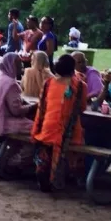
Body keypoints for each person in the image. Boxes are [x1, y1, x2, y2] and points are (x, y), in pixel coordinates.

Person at [0, 53, 36, 179]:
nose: (21, 66)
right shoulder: (11, 84)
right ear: (11, 65)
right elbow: (16, 111)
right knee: (39, 131)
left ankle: (13, 159)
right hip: (5, 122)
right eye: (18, 64)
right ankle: (16, 162)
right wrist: (32, 107)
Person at [32, 54, 87, 191]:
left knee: (48, 143)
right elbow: (82, 108)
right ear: (72, 68)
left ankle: (44, 170)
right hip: (69, 133)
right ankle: (75, 176)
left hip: (46, 129)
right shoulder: (80, 86)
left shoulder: (48, 83)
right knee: (84, 140)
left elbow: (42, 105)